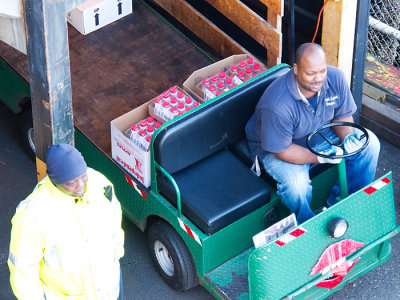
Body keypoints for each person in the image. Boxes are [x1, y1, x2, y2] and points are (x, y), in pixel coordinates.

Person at [245, 43, 380, 223]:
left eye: (322, 71)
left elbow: (342, 116)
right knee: (297, 187)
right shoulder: (277, 105)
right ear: (296, 70)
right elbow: (282, 150)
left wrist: (349, 136)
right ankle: (309, 223)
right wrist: (319, 157)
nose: (318, 79)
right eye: (311, 73)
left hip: (318, 133)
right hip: (279, 148)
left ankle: (345, 206)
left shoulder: (335, 78)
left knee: (370, 145)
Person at [8, 143, 124, 299]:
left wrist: (116, 253)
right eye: (71, 183)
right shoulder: (32, 215)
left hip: (110, 290)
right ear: (56, 181)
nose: (81, 186)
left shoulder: (99, 184)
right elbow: (23, 271)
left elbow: (115, 219)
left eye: (83, 176)